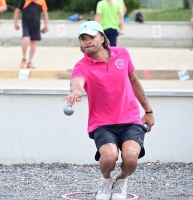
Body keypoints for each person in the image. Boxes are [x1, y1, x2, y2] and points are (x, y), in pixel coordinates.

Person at [63, 21, 155, 200]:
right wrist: (75, 91)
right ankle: (106, 181)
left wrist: (148, 110)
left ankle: (120, 181)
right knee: (109, 158)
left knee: (130, 158)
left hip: (130, 120)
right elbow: (77, 81)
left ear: (102, 38)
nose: (87, 41)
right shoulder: (82, 66)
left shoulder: (123, 54)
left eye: (91, 37)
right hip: (102, 123)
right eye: (83, 39)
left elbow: (134, 82)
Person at [14, 0, 49, 69]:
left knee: (33, 43)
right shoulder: (24, 0)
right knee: (25, 39)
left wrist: (46, 25)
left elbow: (45, 13)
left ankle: (30, 61)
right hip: (26, 24)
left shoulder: (41, 1)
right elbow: (17, 10)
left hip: (36, 25)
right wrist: (15, 22)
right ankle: (23, 58)